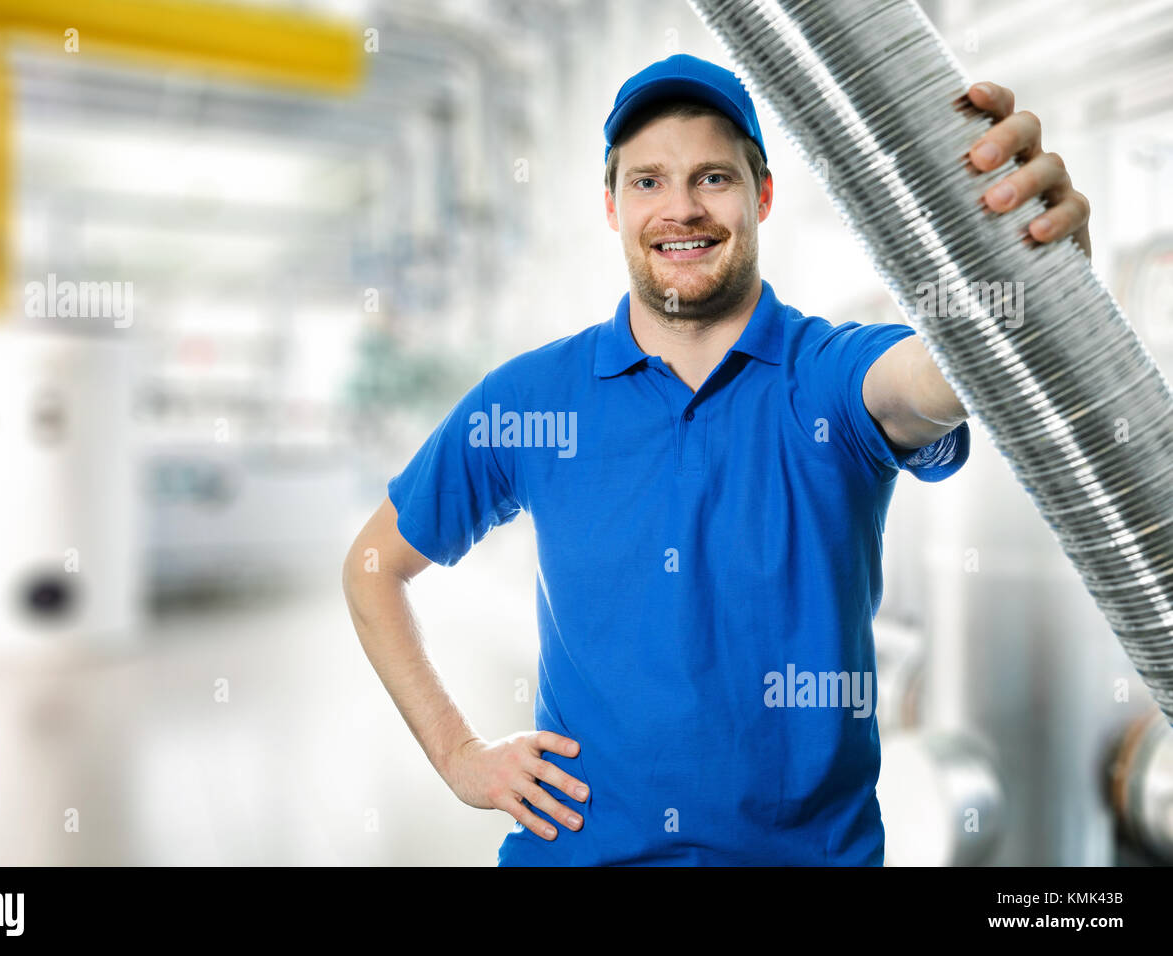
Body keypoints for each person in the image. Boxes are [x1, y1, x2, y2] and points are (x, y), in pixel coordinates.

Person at [342, 53, 1092, 865]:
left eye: (712, 178)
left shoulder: (828, 377)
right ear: (611, 206)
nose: (681, 210)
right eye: (648, 182)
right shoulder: (530, 400)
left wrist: (1031, 282)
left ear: (762, 195)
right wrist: (460, 756)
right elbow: (374, 564)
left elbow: (939, 375)